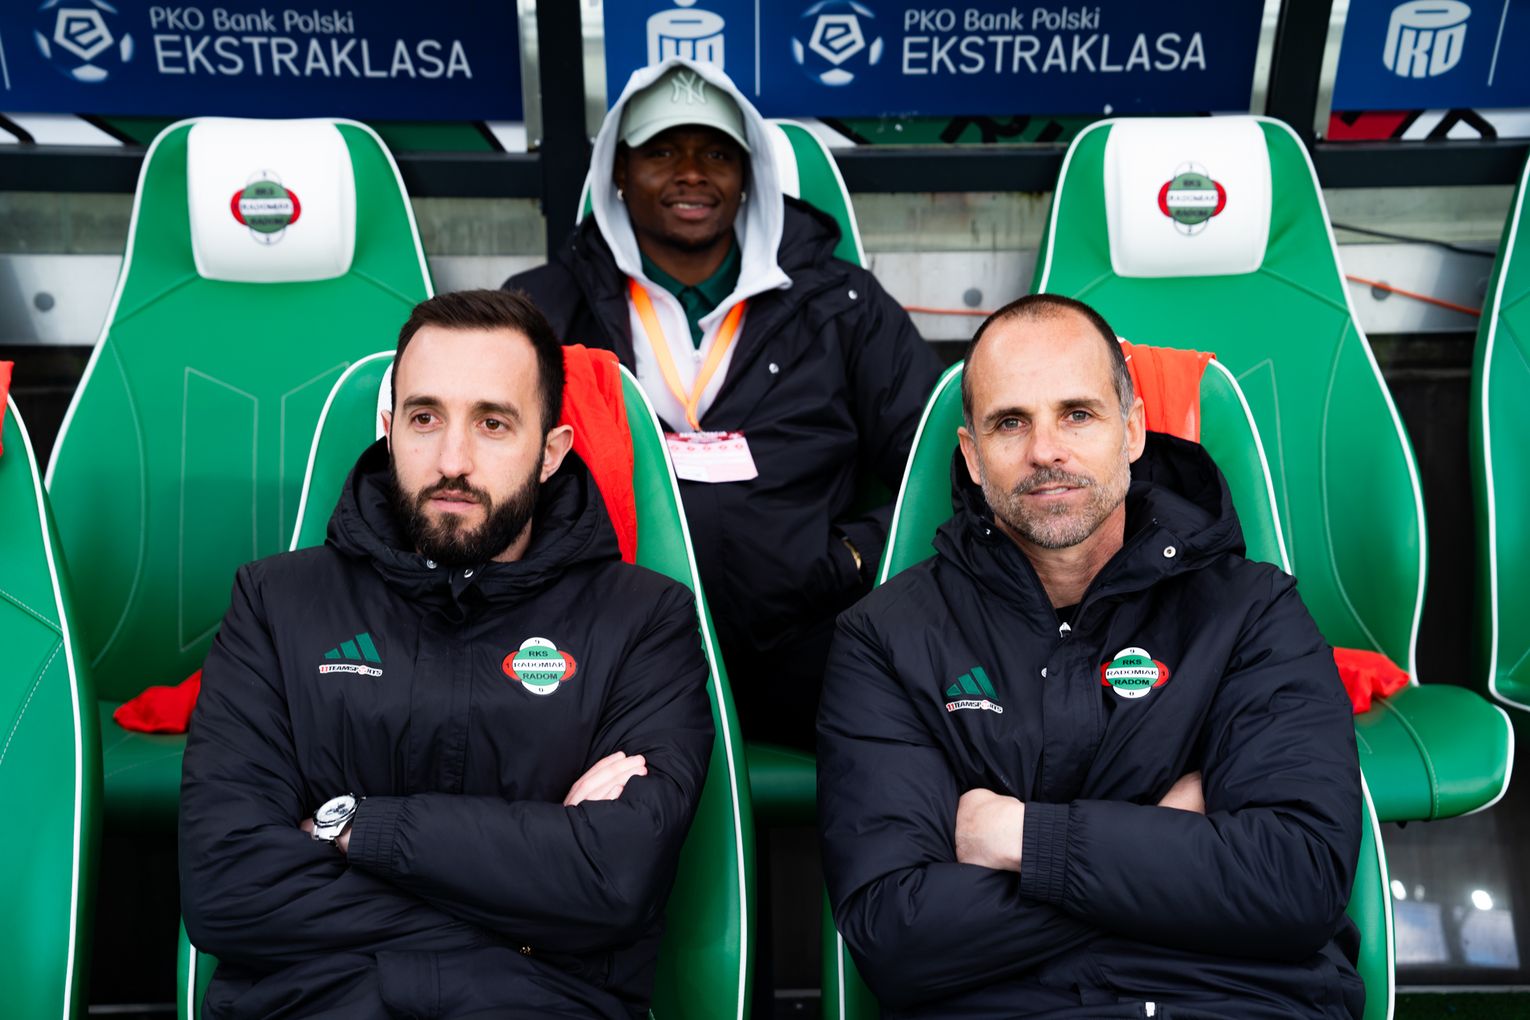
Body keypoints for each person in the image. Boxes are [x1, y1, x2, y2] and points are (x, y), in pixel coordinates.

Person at [818, 294, 1364, 1018]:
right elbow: (897, 934)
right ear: (972, 457)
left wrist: (1022, 839)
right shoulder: (885, 638)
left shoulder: (1251, 613)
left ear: (1132, 430)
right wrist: (1163, 845)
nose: (1046, 450)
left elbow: (1298, 881)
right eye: (1011, 422)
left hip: (1236, 1002)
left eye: (1077, 414)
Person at [179, 290, 715, 1020]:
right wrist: (534, 920)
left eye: (493, 423)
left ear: (551, 451)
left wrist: (354, 828)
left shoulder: (643, 620)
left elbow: (617, 877)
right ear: (389, 431)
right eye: (425, 418)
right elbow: (228, 888)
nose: (452, 461)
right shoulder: (274, 604)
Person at [507, 58, 941, 747]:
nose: (691, 173)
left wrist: (855, 554)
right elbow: (491, 467)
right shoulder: (541, 309)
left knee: (912, 744)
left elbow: (942, 462)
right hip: (603, 639)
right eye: (661, 152)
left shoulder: (842, 304)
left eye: (716, 154)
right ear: (619, 172)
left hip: (809, 638)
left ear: (748, 176)